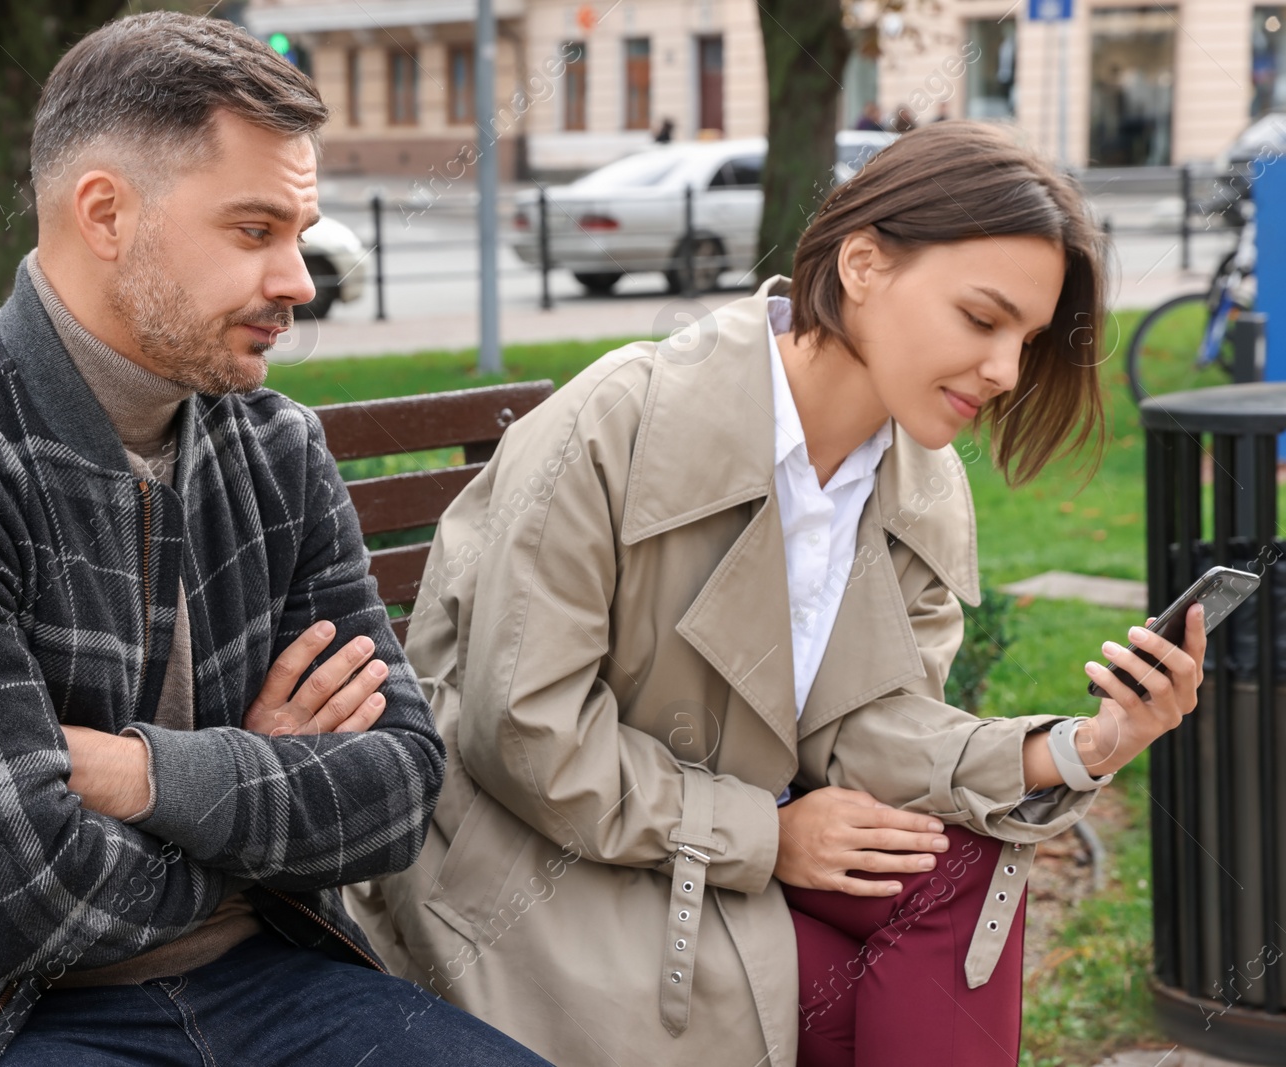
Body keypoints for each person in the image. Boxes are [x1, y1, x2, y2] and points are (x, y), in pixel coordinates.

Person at [0, 13, 550, 1067]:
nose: (299, 282)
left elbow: (397, 787)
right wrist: (258, 796)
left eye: (299, 235)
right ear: (105, 213)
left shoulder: (275, 447)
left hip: (266, 980)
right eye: (255, 230)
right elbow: (14, 902)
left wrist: (144, 778)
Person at [344, 120, 1205, 1067]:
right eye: (981, 319)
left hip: (726, 840)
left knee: (958, 873)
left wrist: (1071, 747)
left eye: (1027, 340)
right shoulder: (617, 423)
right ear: (866, 264)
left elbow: (869, 725)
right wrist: (762, 833)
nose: (1005, 371)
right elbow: (527, 733)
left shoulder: (919, 484)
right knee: (862, 1006)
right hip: (545, 859)